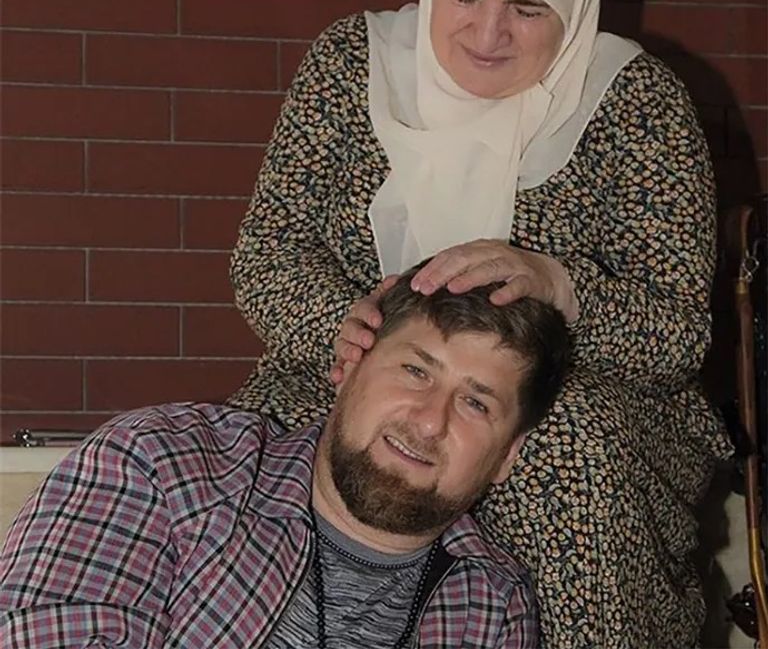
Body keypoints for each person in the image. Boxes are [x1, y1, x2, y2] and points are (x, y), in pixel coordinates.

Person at [227, 0, 734, 646]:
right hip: (350, 365)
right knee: (266, 453)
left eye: (528, 8)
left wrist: (563, 288)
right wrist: (347, 331)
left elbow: (678, 334)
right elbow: (268, 252)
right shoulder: (352, 64)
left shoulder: (635, 103)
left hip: (570, 394)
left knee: (563, 454)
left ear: (576, 3)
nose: (488, 32)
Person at [0, 272, 569, 649]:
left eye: (475, 403)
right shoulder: (161, 463)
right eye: (415, 371)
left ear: (506, 456)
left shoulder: (492, 603)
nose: (429, 421)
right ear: (347, 369)